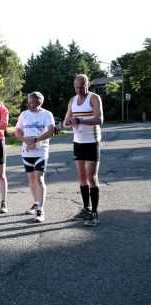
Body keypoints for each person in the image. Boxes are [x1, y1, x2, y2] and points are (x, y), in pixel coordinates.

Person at [63, 74, 104, 227]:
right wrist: (68, 122)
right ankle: (86, 209)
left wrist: (80, 120)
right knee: (81, 176)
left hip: (92, 142)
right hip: (78, 142)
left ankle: (94, 213)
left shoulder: (94, 98)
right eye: (76, 87)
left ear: (88, 84)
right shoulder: (72, 100)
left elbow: (100, 120)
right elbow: (67, 122)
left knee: (92, 177)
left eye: (82, 87)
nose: (79, 90)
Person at [15, 92, 55, 222]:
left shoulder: (47, 114)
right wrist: (25, 140)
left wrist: (36, 140)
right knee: (31, 179)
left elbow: (51, 131)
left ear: (40, 102)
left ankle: (40, 210)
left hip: (40, 152)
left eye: (34, 103)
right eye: (29, 102)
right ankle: (36, 202)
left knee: (39, 178)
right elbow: (17, 131)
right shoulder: (24, 114)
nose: (31, 105)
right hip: (27, 152)